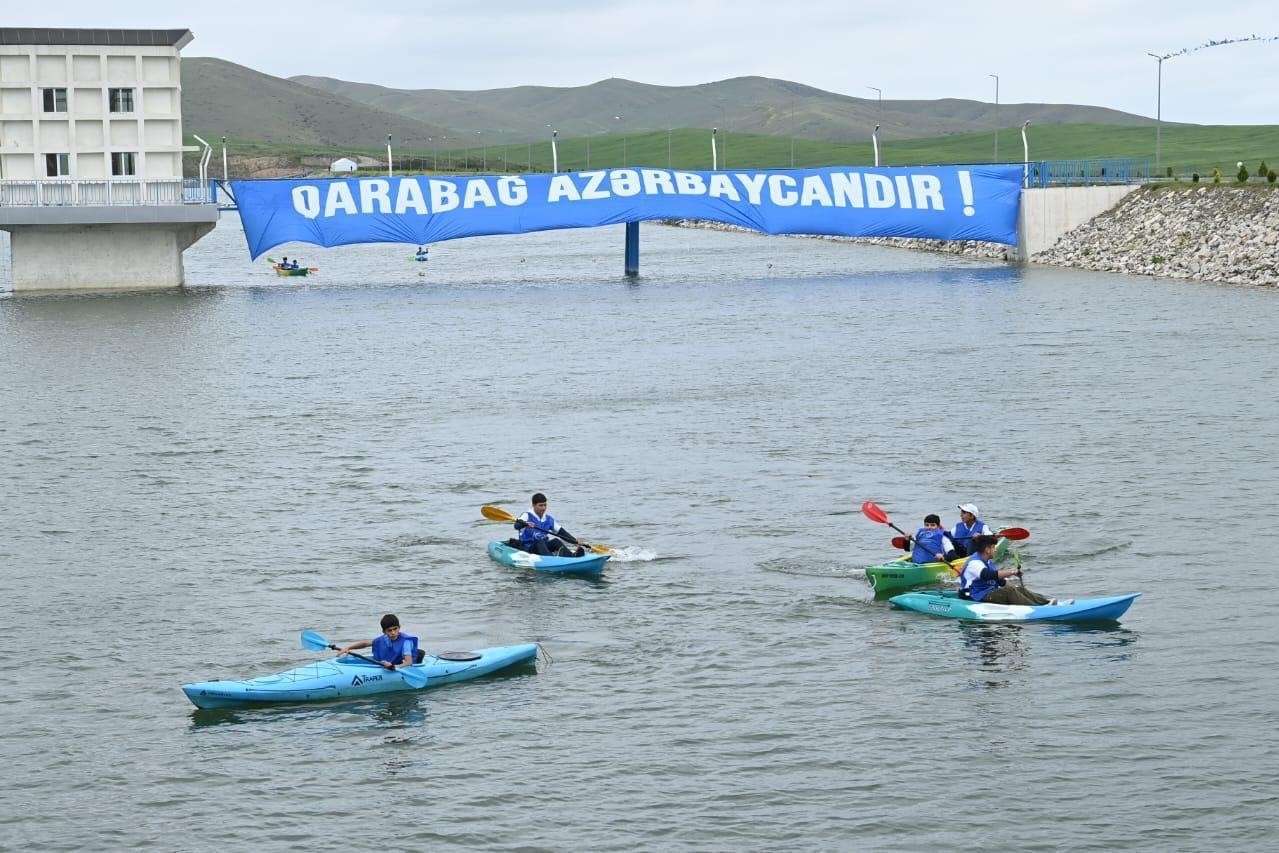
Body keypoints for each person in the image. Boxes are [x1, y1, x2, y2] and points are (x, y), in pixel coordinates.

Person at [958, 536, 1057, 606]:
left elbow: (1000, 581)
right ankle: (1036, 608)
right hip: (974, 596)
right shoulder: (974, 563)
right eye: (993, 547)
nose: (995, 550)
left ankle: (1046, 602)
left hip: (986, 592)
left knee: (1017, 588)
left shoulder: (988, 562)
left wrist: (1017, 588)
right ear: (987, 549)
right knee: (1010, 592)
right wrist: (1012, 572)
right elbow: (988, 575)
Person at [515, 492, 589, 557]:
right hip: (529, 548)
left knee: (556, 541)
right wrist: (525, 524)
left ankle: (571, 555)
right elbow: (516, 525)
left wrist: (575, 541)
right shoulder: (527, 515)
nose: (543, 508)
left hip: (544, 547)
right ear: (534, 505)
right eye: (540, 505)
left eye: (545, 505)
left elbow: (561, 532)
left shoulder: (548, 519)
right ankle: (551, 559)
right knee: (540, 542)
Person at [338, 614, 420, 669]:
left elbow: (408, 662)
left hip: (398, 666)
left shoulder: (406, 642)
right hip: (385, 664)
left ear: (399, 627)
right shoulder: (384, 639)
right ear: (384, 632)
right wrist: (347, 647)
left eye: (395, 629)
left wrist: (394, 667)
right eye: (389, 630)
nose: (393, 632)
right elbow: (365, 643)